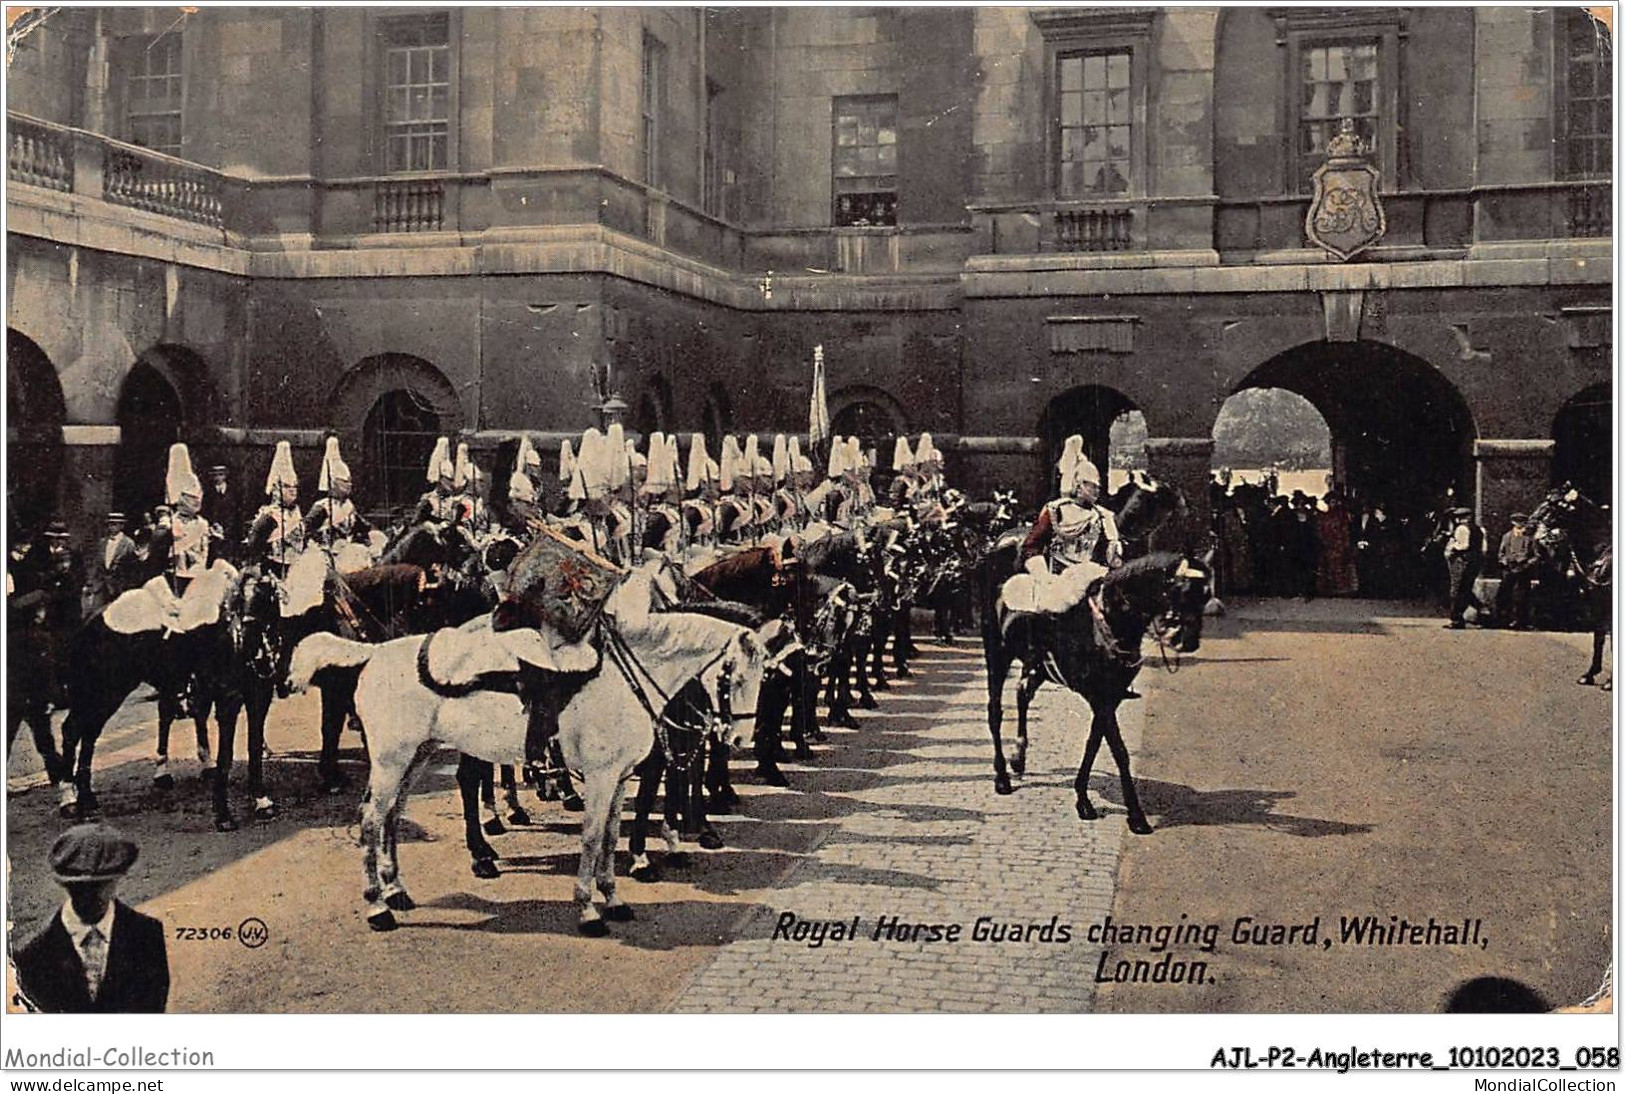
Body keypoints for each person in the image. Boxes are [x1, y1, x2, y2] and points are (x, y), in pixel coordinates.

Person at [10, 823, 169, 1013]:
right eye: (80, 888)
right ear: (65, 885)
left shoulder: (146, 935)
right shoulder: (34, 953)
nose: (92, 897)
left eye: (101, 886)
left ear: (117, 879)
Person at [1013, 435, 1123, 614]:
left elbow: (1109, 554)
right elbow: (1032, 546)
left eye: (1098, 486)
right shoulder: (1056, 510)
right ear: (1078, 486)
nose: (1097, 490)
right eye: (1091, 486)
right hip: (1056, 579)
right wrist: (1042, 575)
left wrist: (1115, 554)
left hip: (1090, 577)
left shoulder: (1103, 516)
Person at [303, 436, 374, 563]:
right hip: (326, 554)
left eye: (349, 482)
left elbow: (361, 526)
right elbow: (306, 529)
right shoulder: (322, 506)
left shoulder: (349, 506)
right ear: (334, 484)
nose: (349, 486)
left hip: (348, 551)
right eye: (344, 482)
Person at [83, 512, 140, 619]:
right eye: (110, 524)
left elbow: (132, 569)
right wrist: (92, 582)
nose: (111, 527)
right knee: (98, 614)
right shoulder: (102, 542)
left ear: (121, 526)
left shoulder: (128, 544)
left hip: (119, 586)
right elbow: (97, 564)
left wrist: (127, 586)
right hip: (102, 586)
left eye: (115, 524)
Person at [1442, 506, 1486, 628]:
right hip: (1475, 562)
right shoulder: (1479, 529)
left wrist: (1452, 546)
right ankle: (1483, 611)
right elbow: (1483, 549)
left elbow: (1463, 545)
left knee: (1456, 590)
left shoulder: (1461, 529)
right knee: (1466, 589)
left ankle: (1456, 619)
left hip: (1462, 560)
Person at [1496, 512, 1539, 630]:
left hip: (1523, 570)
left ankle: (1520, 621)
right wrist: (1504, 561)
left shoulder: (1529, 538)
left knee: (1521, 596)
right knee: (1505, 594)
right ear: (1512, 523)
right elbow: (1501, 553)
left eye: (1522, 522)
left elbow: (1535, 556)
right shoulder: (1507, 536)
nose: (1519, 525)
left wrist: (1527, 564)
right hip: (1509, 570)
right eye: (1517, 522)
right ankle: (1505, 619)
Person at [201, 464, 243, 566]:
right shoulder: (208, 492)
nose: (218, 478)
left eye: (220, 475)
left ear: (225, 476)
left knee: (230, 558)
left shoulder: (234, 491)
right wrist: (213, 524)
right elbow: (205, 511)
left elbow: (238, 512)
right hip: (214, 529)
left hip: (231, 530)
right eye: (215, 475)